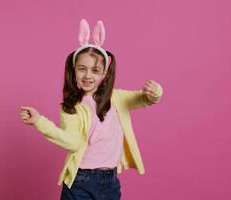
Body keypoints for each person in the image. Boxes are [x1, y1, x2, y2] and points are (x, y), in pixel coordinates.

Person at [20, 19, 163, 200]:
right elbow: (73, 143)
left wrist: (155, 91)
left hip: (110, 181)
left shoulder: (117, 98)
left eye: (95, 70)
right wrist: (40, 121)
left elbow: (145, 99)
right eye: (82, 69)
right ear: (74, 71)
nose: (88, 75)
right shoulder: (70, 107)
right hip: (81, 182)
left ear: (104, 74)